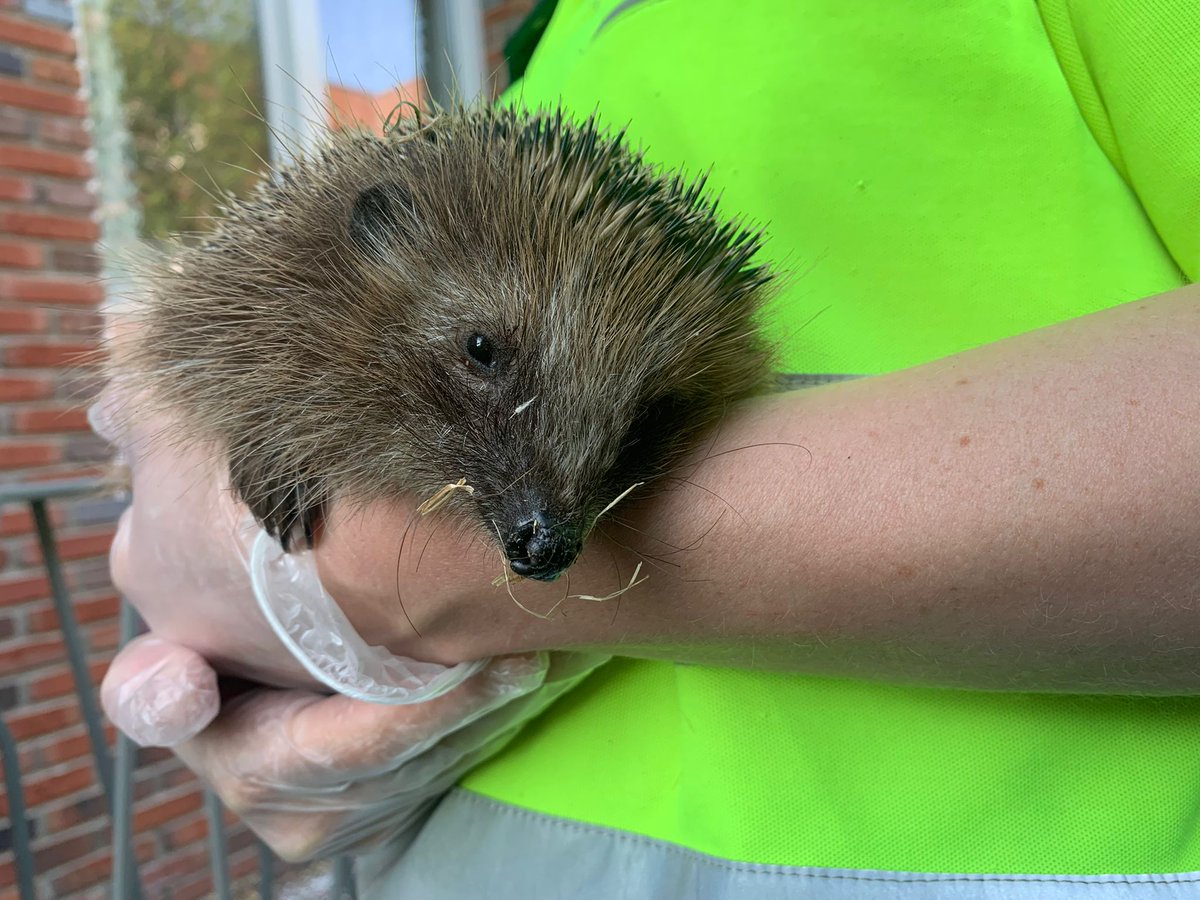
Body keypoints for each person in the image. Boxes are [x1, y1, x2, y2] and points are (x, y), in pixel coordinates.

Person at [102, 0, 1200, 896]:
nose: (543, 525)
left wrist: (373, 590)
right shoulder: (553, 46)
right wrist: (286, 690)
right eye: (486, 356)